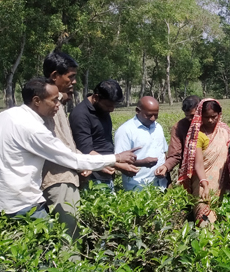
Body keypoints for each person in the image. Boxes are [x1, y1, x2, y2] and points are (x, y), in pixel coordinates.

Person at [0, 78, 138, 219]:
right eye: (54, 100)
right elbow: (73, 160)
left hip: (6, 202)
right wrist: (117, 158)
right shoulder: (34, 129)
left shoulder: (7, 115)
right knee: (60, 232)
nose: (58, 105)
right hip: (23, 204)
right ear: (36, 101)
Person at [40, 50, 88, 237]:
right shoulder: (49, 105)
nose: (74, 82)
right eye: (71, 77)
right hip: (58, 179)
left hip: (66, 177)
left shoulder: (58, 104)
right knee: (70, 238)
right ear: (54, 76)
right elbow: (58, 146)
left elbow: (66, 143)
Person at [70, 80, 139, 191]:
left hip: (106, 172)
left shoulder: (102, 109)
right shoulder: (80, 115)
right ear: (96, 97)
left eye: (114, 105)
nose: (111, 109)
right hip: (92, 176)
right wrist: (118, 164)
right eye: (108, 105)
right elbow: (85, 150)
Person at [114, 96, 168, 191]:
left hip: (160, 184)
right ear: (138, 111)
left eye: (156, 115)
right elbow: (118, 160)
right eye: (149, 115)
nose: (153, 118)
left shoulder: (158, 127)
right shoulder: (126, 130)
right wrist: (142, 163)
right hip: (137, 186)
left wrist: (165, 168)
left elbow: (163, 152)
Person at [154, 95, 201, 181]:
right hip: (190, 175)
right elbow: (175, 155)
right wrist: (166, 166)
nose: (190, 119)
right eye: (187, 116)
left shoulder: (211, 124)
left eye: (193, 116)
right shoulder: (179, 127)